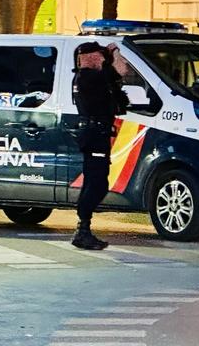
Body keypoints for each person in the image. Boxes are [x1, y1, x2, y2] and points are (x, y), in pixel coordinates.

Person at [72, 42, 128, 250]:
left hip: (94, 134)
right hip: (95, 135)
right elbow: (122, 70)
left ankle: (83, 228)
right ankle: (83, 229)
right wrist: (114, 52)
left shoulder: (85, 77)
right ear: (92, 57)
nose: (104, 59)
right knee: (97, 184)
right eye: (100, 55)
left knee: (93, 182)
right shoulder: (91, 77)